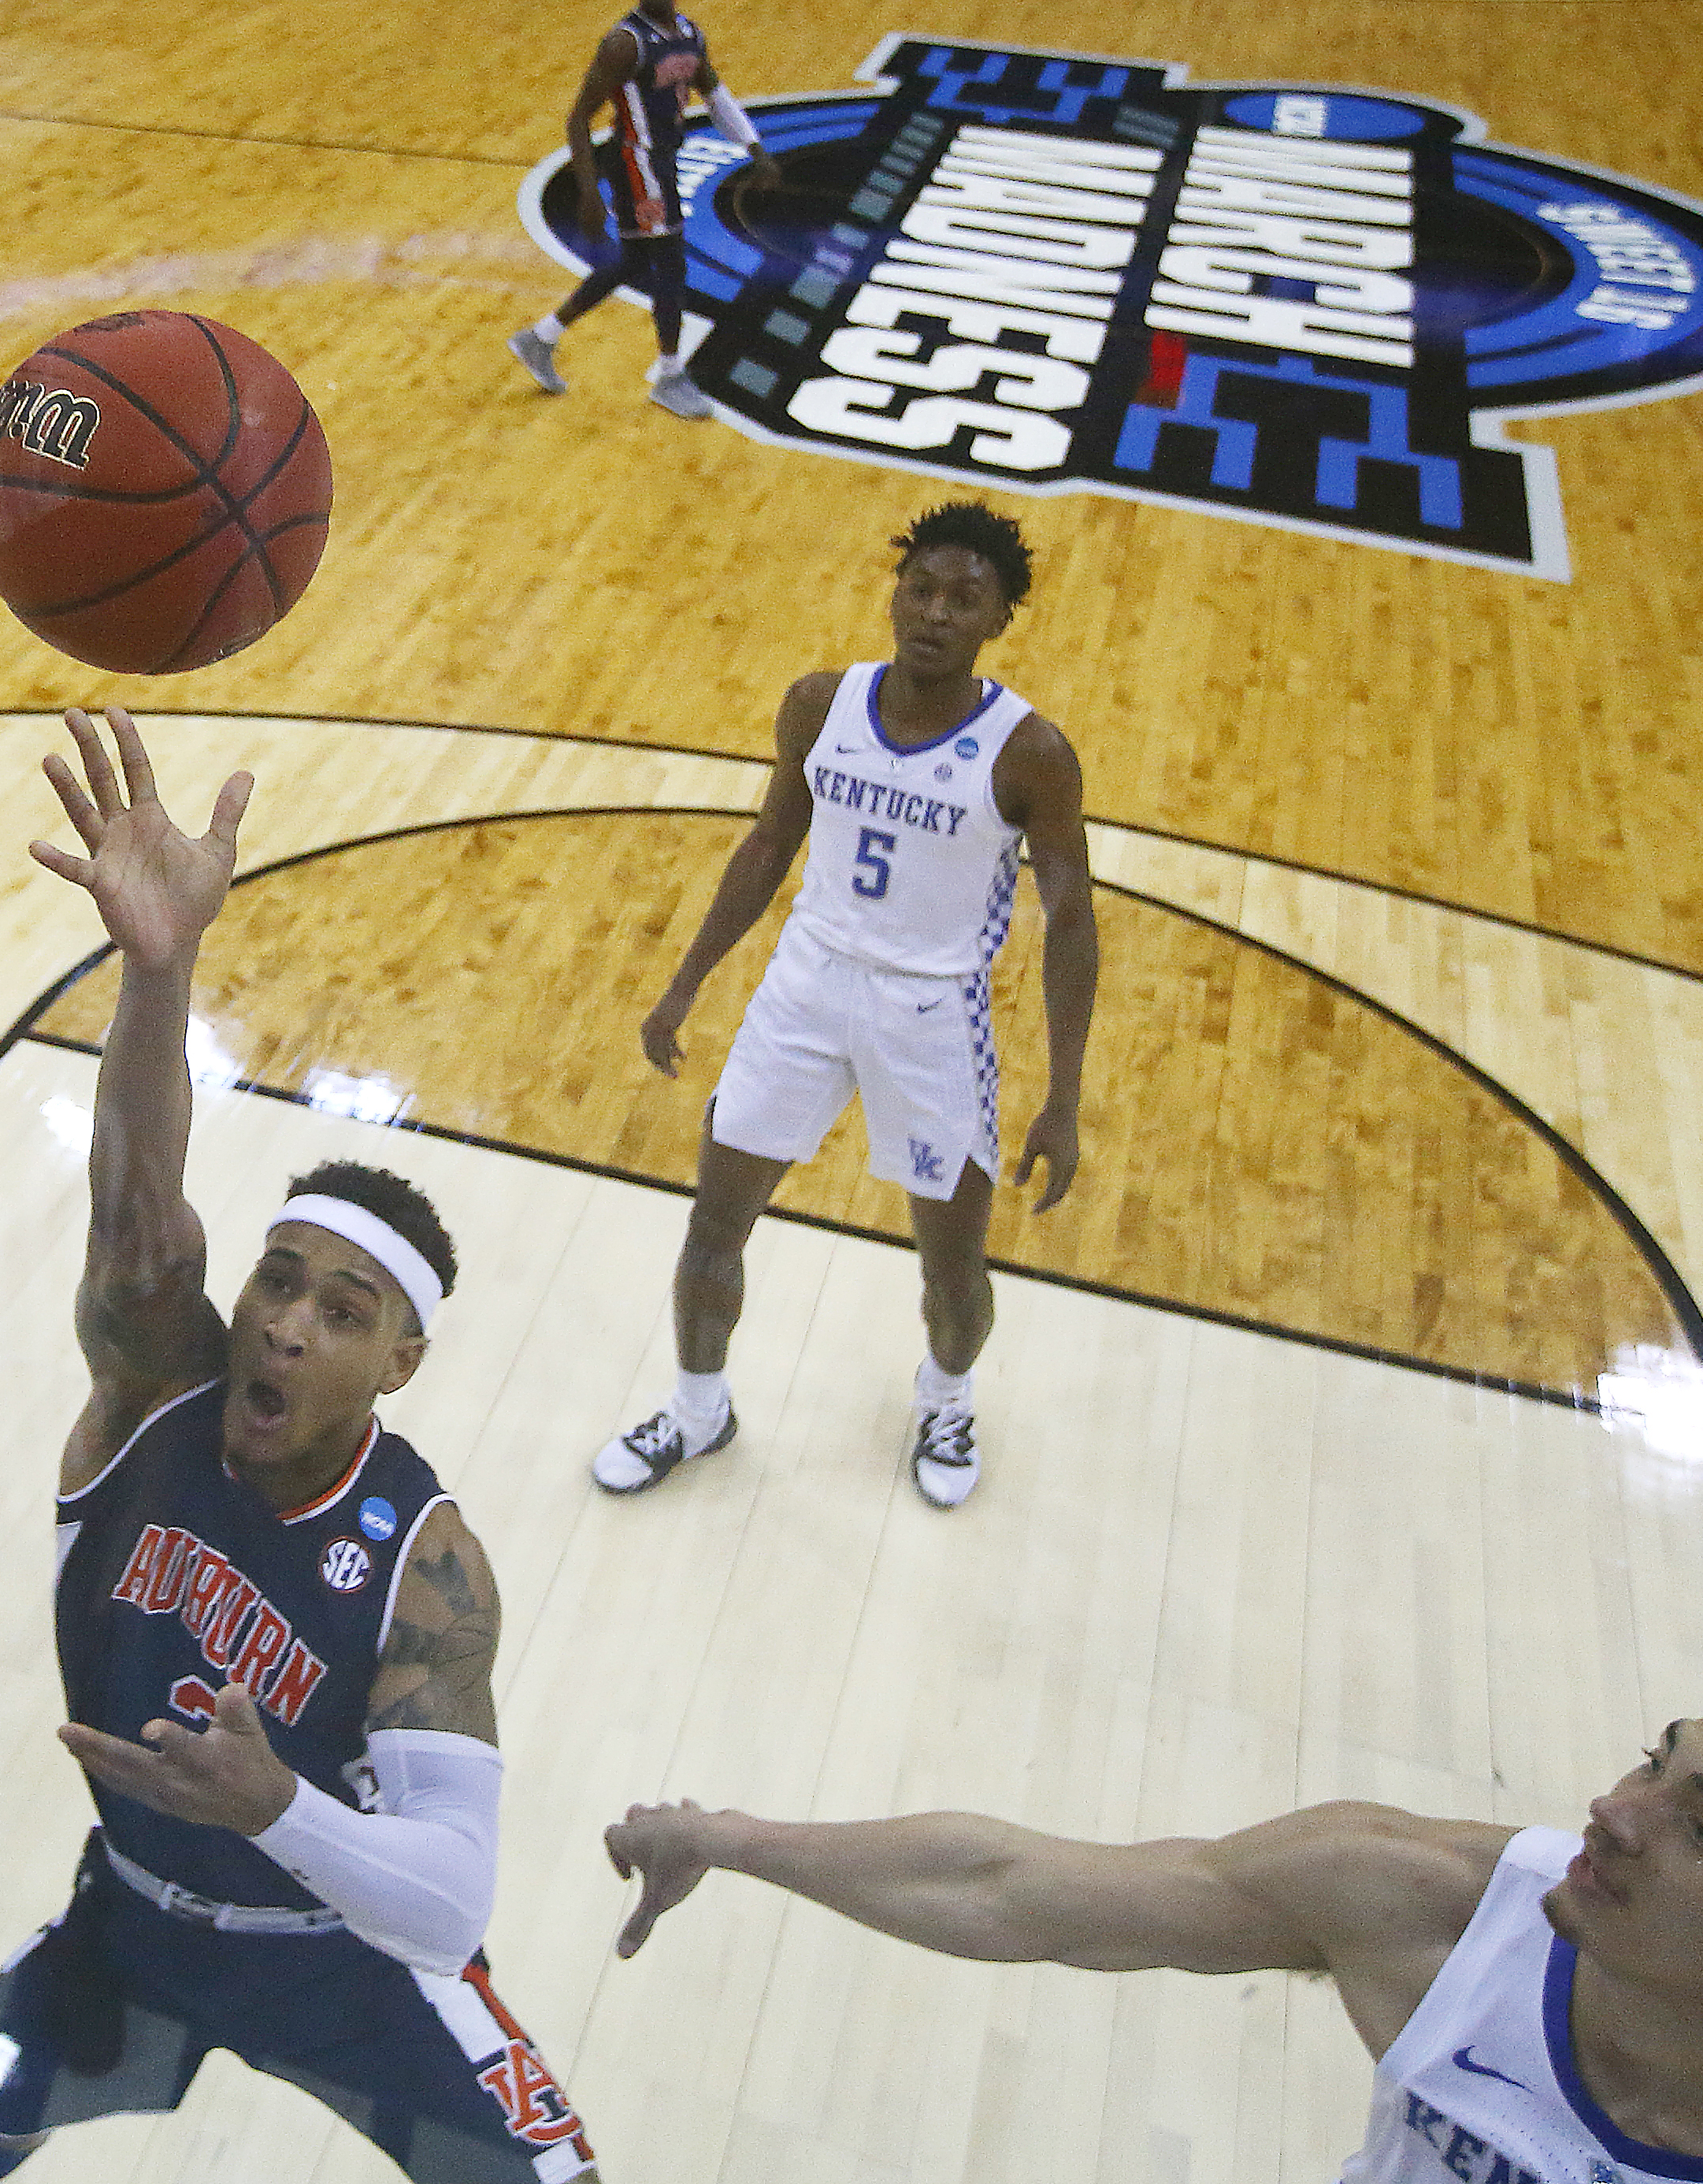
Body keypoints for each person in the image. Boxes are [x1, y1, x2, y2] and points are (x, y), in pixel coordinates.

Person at [0, 710, 596, 2184]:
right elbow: (138, 1205)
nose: (286, 1325)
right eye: (276, 1279)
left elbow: (447, 1906)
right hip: (128, 1921)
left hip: (345, 1952)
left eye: (342, 1307)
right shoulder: (155, 1394)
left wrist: (279, 1807)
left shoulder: (429, 1565)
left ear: (401, 1362)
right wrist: (157, 967)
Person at [604, 1656, 1703, 2181]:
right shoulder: (1436, 1908)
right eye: (1650, 1766)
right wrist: (728, 1840)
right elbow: (1014, 1889)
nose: (1614, 1815)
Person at [590, 501, 1095, 1510]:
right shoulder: (820, 704)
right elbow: (769, 846)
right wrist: (683, 985)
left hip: (933, 1018)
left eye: (966, 600)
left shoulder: (1028, 751)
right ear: (894, 593)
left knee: (952, 1274)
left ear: (997, 621)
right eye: (922, 589)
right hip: (806, 989)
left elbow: (1072, 922)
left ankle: (946, 1394)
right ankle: (698, 1410)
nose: (937, 615)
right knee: (714, 1226)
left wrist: (1063, 1099)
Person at [506, 2, 776, 420]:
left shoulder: (689, 33)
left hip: (664, 158)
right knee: (671, 265)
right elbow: (578, 119)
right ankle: (670, 375)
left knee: (633, 260)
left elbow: (714, 93)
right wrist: (588, 192)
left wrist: (754, 147)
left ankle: (541, 338)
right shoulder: (624, 43)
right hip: (636, 162)